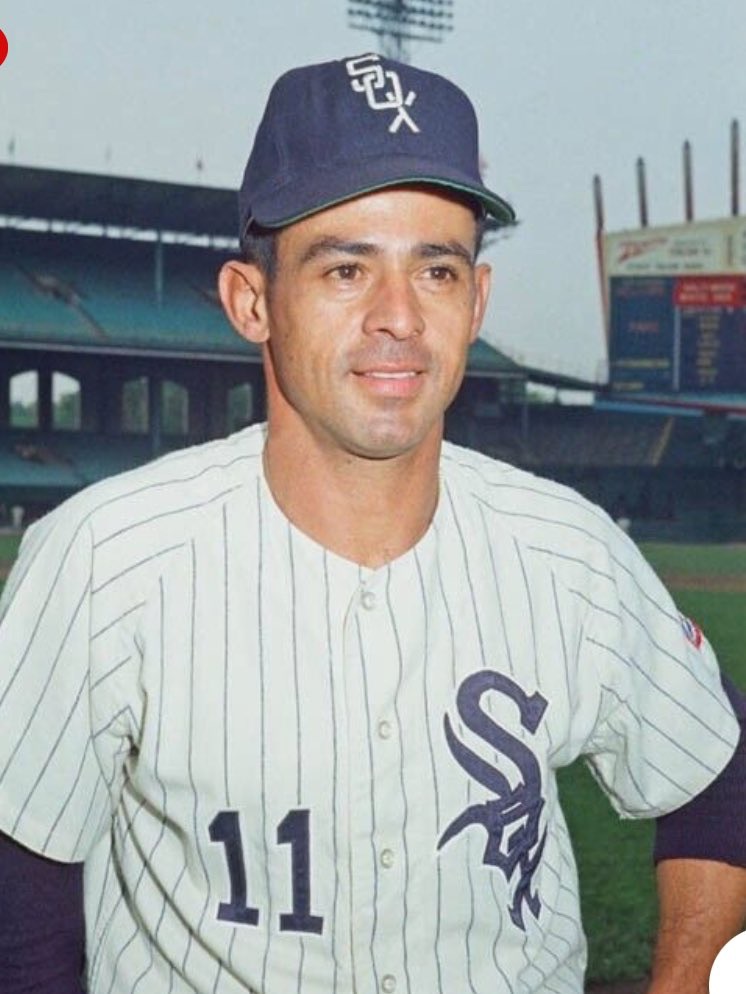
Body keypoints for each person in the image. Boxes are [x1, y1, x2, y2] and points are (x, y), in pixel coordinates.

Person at [0, 53, 744, 994]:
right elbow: (20, 912)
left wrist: (687, 980)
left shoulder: (573, 552)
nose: (399, 317)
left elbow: (718, 769)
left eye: (436, 269)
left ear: (476, 301)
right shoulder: (102, 560)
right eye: (346, 268)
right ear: (252, 302)